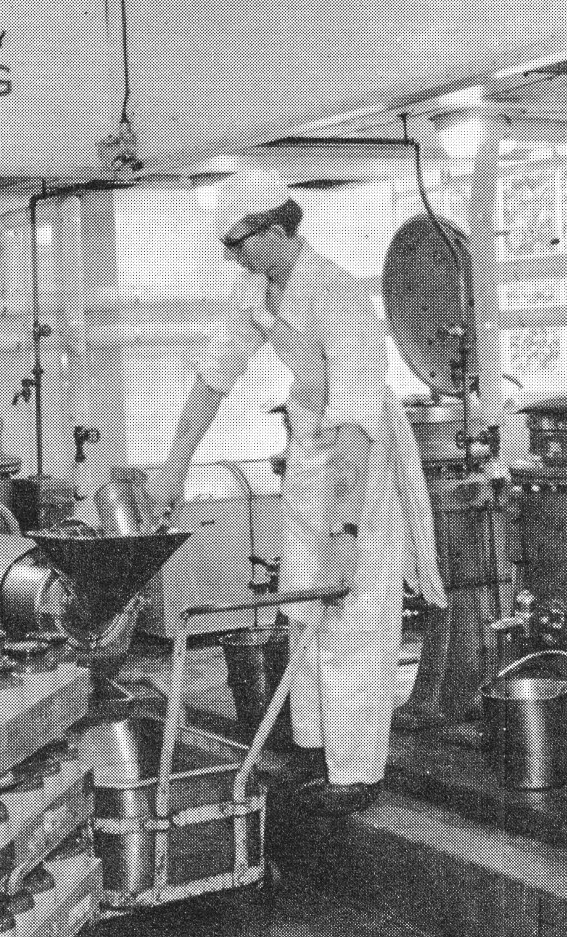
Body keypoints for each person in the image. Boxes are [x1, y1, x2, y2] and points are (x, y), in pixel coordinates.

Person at [144, 172, 446, 815]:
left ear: (279, 232)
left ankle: (359, 774)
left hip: (363, 471)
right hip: (312, 458)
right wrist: (171, 466)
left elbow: (359, 415)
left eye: (240, 243)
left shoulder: (339, 294)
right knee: (307, 615)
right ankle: (315, 749)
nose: (233, 256)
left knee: (354, 621)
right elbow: (211, 380)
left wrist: (342, 521)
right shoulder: (258, 288)